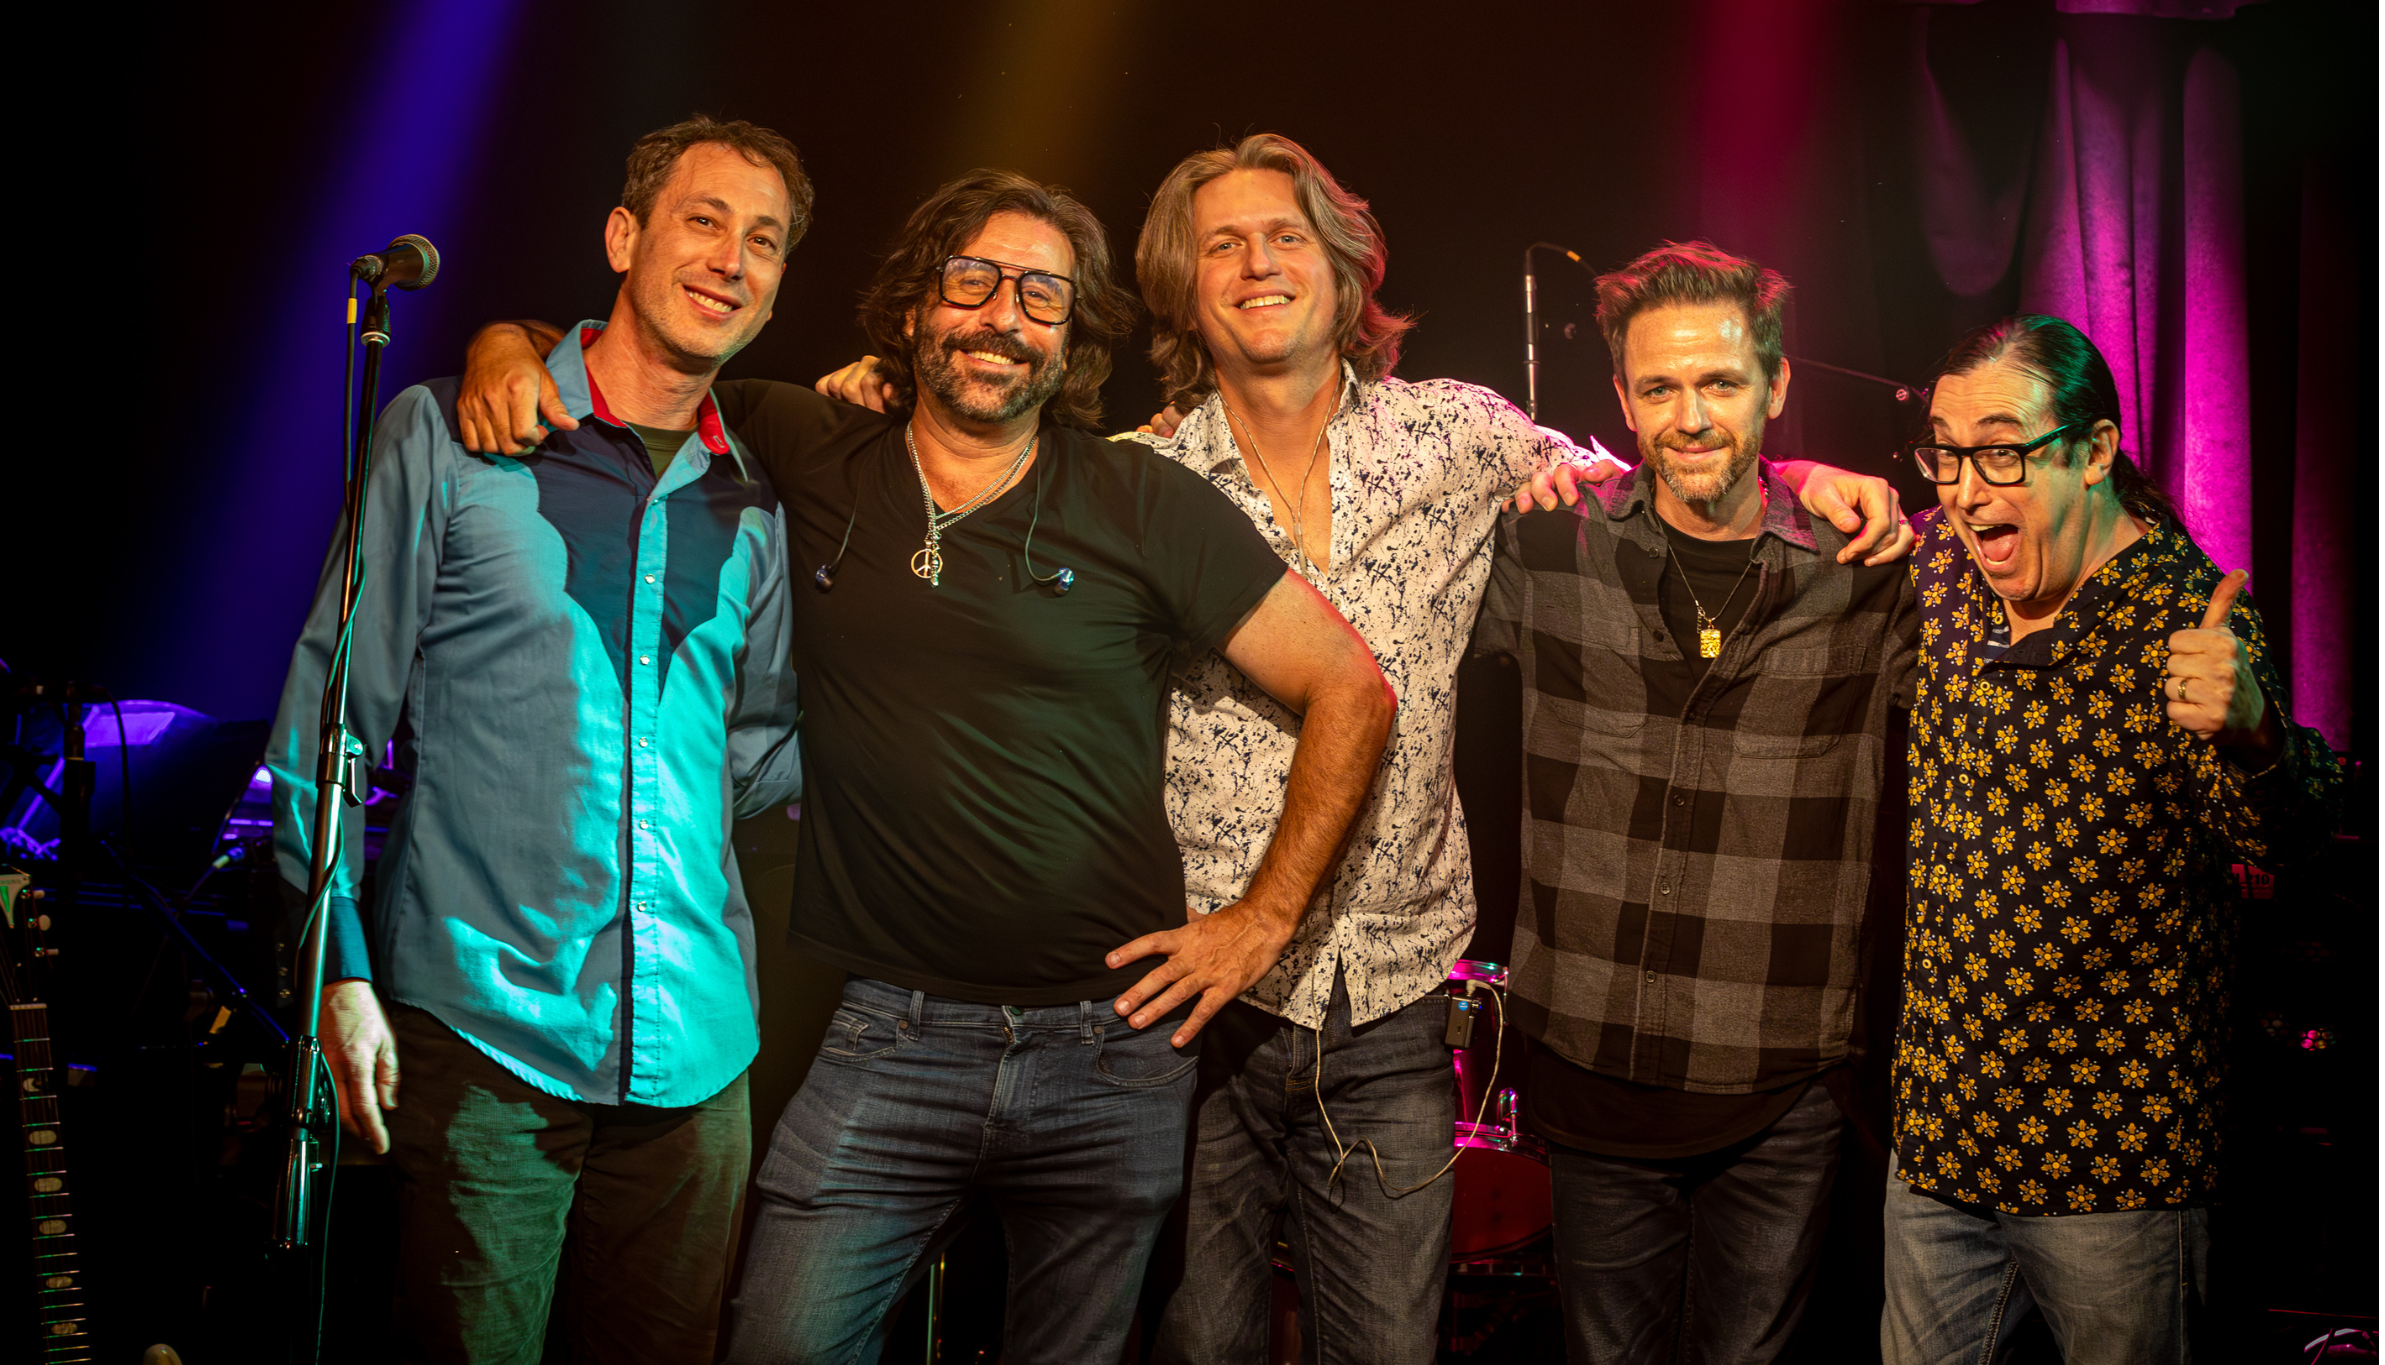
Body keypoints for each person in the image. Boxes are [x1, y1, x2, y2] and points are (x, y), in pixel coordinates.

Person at [807, 142, 1914, 1359]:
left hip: (1392, 1006)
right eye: (1221, 245)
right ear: (1180, 289)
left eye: (1285, 236)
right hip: (1192, 1011)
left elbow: (1667, 469)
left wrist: (1802, 471)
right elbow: (965, 480)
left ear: (1344, 272)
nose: (1256, 264)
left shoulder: (1462, 436)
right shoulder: (1131, 477)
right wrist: (882, 396)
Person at [454, 168, 1399, 1365]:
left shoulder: (1138, 498)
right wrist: (503, 345)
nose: (1002, 315)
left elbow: (1351, 687)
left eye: (1041, 296)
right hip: (885, 1038)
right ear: (912, 307)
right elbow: (635, 362)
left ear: (1071, 339)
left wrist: (1263, 920)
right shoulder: (805, 445)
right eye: (971, 280)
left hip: (1110, 1054)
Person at [267, 116, 812, 1364]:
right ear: (623, 237)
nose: (731, 259)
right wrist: (336, 972)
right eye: (703, 221)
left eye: (764, 241)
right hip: (482, 1038)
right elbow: (328, 728)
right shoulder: (449, 435)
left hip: (697, 1057)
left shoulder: (757, 507)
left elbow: (756, 756)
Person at [1474, 241, 1924, 1365]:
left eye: (1720, 382)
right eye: (1660, 387)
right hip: (1592, 1073)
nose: (1689, 416)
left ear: (1776, 386)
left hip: (1778, 1077)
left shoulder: (1865, 565)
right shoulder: (1545, 541)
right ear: (1621, 399)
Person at [1880, 315, 2343, 1363]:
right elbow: (1830, 528)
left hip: (2111, 1163)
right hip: (1942, 1143)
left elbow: (2293, 841)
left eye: (2001, 451)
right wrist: (1807, 474)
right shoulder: (1944, 567)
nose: (1966, 489)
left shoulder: (2185, 614)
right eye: (1946, 454)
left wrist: (2255, 738)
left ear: (2092, 451)